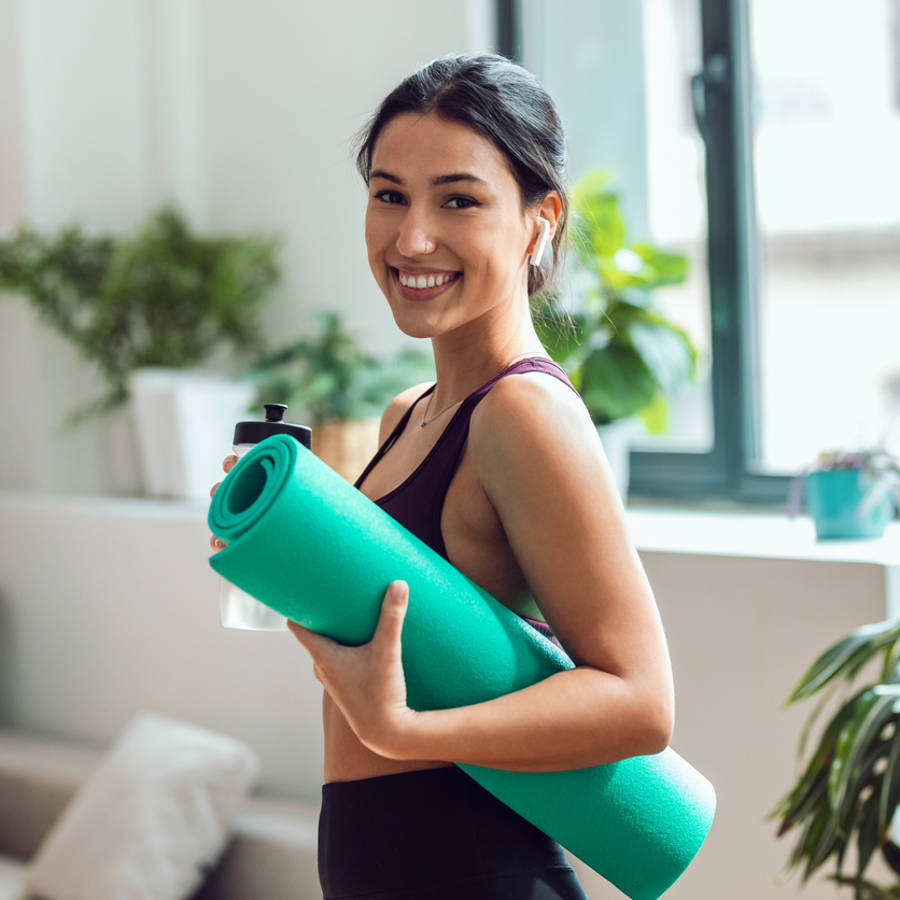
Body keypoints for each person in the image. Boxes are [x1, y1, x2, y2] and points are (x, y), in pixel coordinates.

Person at [210, 52, 674, 900]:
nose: (411, 238)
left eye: (458, 200)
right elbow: (399, 640)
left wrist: (403, 730)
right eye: (389, 195)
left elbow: (641, 703)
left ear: (540, 219)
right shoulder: (407, 412)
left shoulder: (523, 416)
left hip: (475, 869)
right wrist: (279, 547)